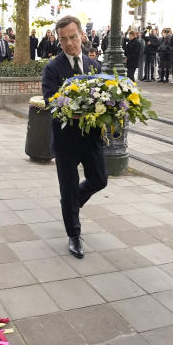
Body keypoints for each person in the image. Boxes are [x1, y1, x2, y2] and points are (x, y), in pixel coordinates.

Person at [41, 15, 106, 261]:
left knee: (100, 180)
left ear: (82, 35)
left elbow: (103, 96)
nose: (69, 43)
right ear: (59, 41)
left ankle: (72, 203)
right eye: (64, 39)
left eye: (73, 37)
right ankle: (74, 234)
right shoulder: (52, 68)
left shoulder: (94, 65)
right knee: (67, 187)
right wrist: (69, 109)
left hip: (91, 138)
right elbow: (49, 100)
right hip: (66, 140)